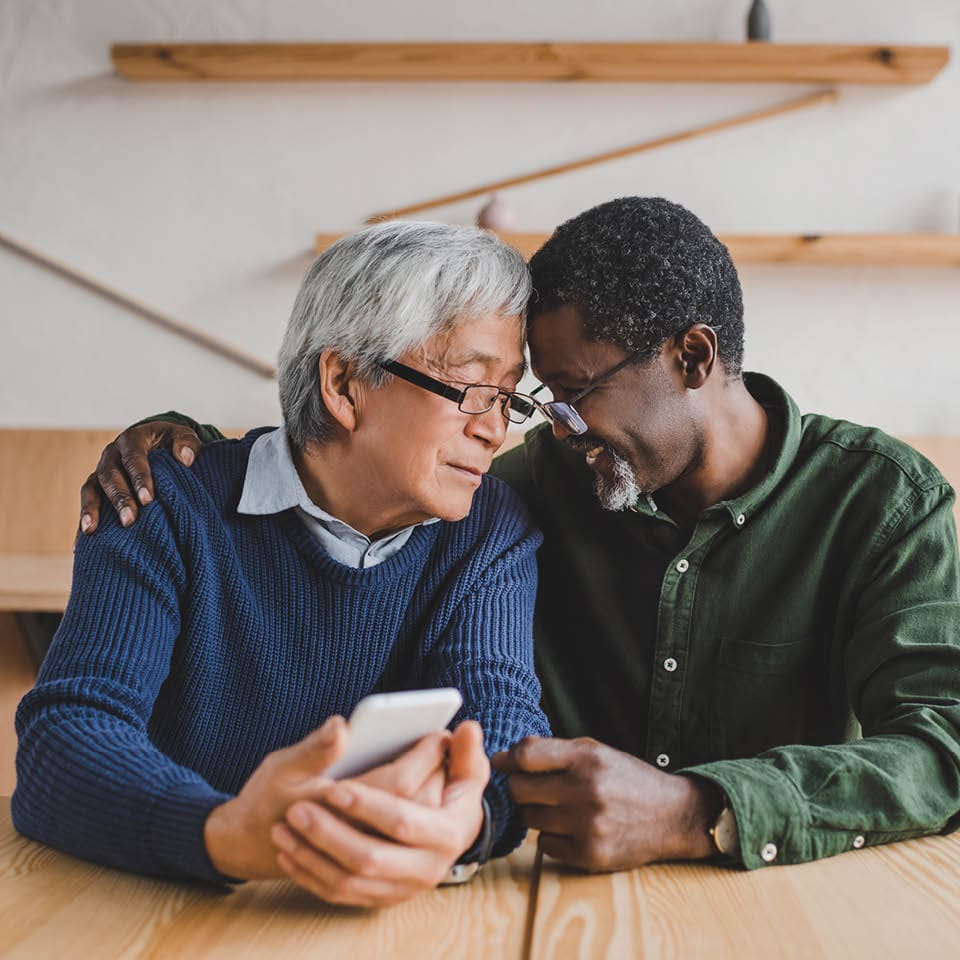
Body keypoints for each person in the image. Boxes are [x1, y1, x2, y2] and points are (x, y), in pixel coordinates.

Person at [76, 197, 960, 873]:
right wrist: (173, 451)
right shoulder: (523, 489)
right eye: (513, 397)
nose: (534, 429)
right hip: (527, 896)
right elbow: (344, 470)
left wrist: (702, 808)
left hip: (798, 895)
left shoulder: (884, 502)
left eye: (565, 394)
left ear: (693, 359)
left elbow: (944, 747)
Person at [14, 221, 551, 906]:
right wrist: (227, 833)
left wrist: (466, 824)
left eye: (507, 397)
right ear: (344, 383)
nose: (493, 428)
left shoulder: (489, 529)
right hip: (164, 906)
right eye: (472, 388)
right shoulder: (164, 503)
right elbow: (67, 738)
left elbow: (504, 724)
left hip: (383, 916)